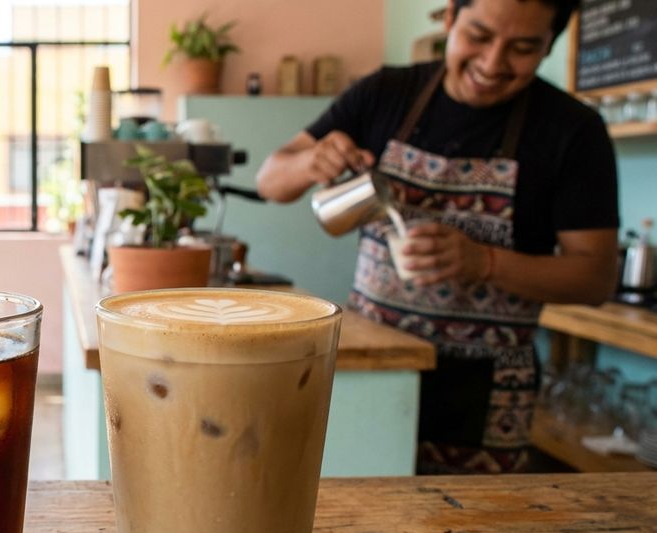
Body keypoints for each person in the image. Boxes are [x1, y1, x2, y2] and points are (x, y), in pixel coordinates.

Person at [256, 0, 619, 474]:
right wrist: (310, 161)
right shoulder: (385, 93)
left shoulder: (572, 130)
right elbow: (269, 180)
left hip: (485, 393)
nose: (492, 64)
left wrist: (485, 263)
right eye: (479, 36)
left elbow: (595, 278)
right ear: (449, 19)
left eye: (523, 48)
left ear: (548, 45)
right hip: (372, 368)